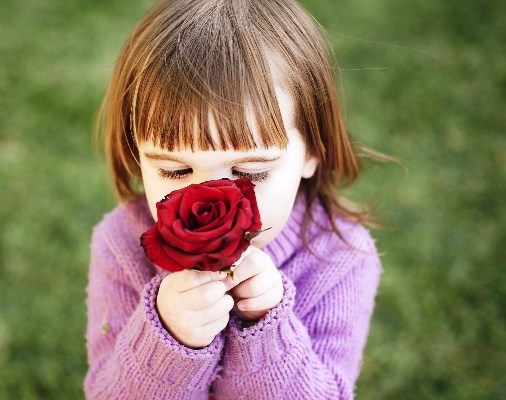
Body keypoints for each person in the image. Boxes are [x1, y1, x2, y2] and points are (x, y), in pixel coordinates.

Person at [84, 0, 382, 398]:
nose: (208, 195)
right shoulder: (121, 244)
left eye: (249, 172)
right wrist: (167, 336)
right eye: (175, 170)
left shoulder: (341, 257)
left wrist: (264, 328)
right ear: (137, 156)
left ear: (313, 150)